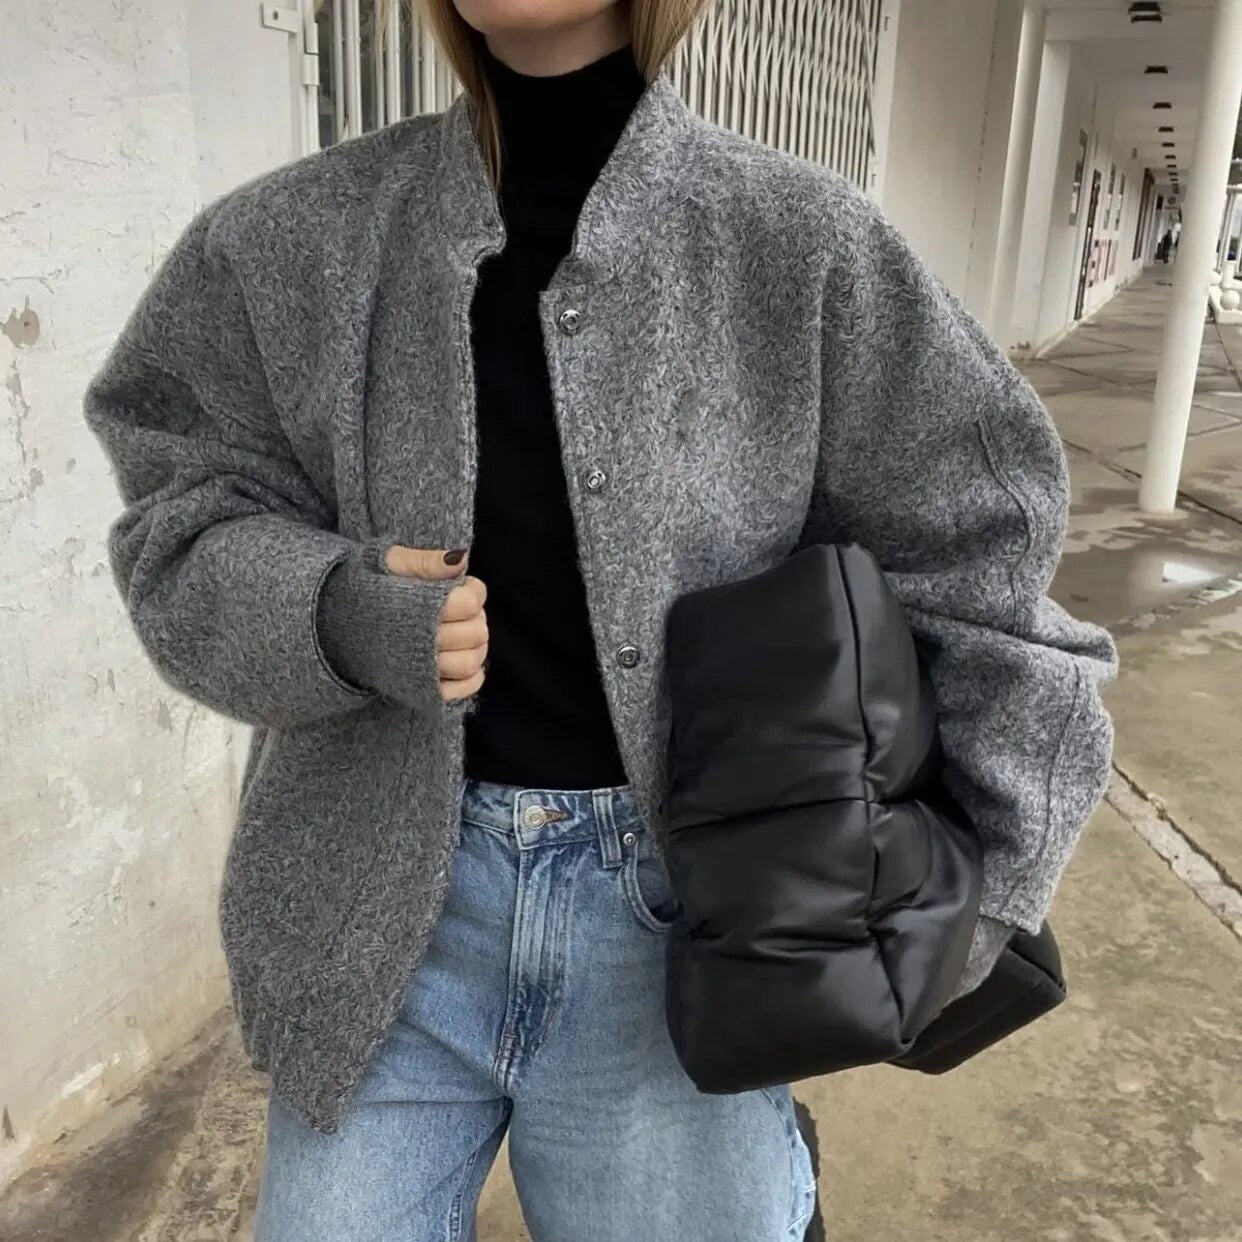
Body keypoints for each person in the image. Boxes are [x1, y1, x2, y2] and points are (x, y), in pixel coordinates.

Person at [82, 0, 1117, 1238]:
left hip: (685, 926)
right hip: (373, 920)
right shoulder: (286, 241)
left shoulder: (803, 245)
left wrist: (979, 879)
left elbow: (981, 547)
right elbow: (181, 521)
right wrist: (342, 611)